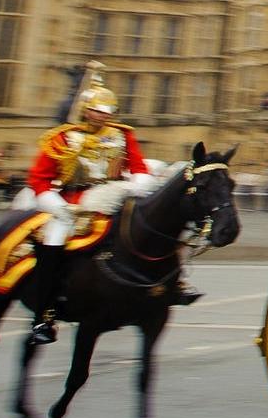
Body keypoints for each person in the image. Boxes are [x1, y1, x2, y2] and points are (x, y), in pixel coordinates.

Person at [19, 82, 182, 344]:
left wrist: (137, 186)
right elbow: (40, 179)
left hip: (114, 196)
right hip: (73, 203)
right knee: (54, 240)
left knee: (152, 228)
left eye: (108, 110)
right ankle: (44, 315)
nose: (104, 114)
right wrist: (56, 205)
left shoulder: (122, 135)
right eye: (98, 109)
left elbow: (138, 168)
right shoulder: (61, 138)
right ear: (85, 110)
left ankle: (174, 284)